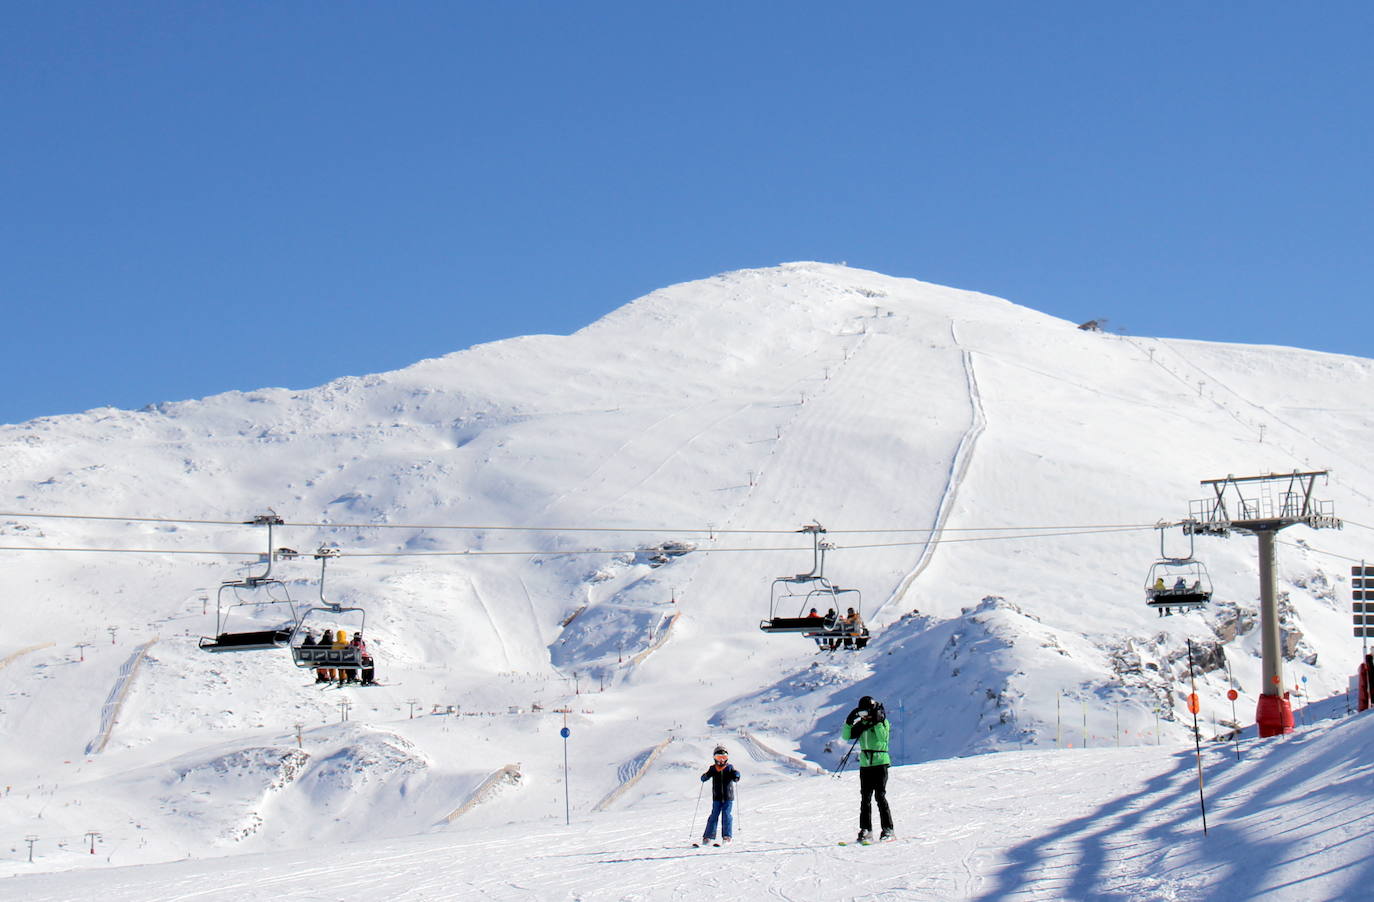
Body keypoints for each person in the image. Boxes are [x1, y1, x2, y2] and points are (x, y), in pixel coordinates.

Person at [842, 695, 894, 843]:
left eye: (866, 713)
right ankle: (866, 830)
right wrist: (849, 721)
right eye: (861, 713)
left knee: (880, 796)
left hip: (880, 762)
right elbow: (847, 736)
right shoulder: (863, 724)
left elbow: (883, 738)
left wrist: (877, 721)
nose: (864, 716)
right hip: (866, 765)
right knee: (865, 798)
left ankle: (888, 830)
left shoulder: (883, 722)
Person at [699, 745, 740, 846]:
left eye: (724, 758)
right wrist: (704, 777)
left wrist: (736, 775)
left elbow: (735, 773)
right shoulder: (713, 769)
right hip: (717, 798)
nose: (721, 761)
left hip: (728, 797)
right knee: (714, 815)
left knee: (726, 815)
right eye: (719, 758)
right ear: (714, 758)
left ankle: (727, 837)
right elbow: (707, 775)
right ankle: (707, 837)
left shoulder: (729, 768)